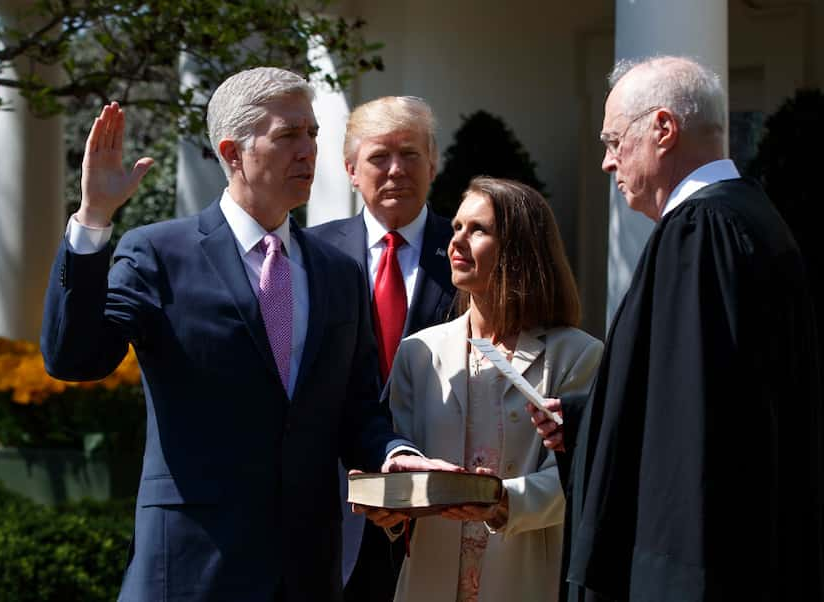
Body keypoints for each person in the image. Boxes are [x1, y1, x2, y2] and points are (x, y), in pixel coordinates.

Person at [40, 67, 453, 602]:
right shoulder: (158, 253)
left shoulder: (336, 271)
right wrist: (94, 218)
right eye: (287, 136)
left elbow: (355, 408)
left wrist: (393, 451)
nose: (308, 151)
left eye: (311, 134)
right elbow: (76, 358)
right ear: (233, 153)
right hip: (193, 566)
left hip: (306, 570)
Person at [530, 56, 823, 601]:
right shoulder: (752, 218)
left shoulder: (700, 232)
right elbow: (699, 395)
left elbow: (692, 436)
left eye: (614, 141)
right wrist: (585, 418)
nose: (606, 163)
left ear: (662, 129)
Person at [386, 177, 603, 602]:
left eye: (478, 230)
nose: (457, 242)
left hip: (523, 579)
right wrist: (386, 498)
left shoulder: (579, 355)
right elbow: (405, 457)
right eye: (456, 228)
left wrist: (504, 501)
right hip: (429, 580)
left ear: (519, 249)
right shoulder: (418, 352)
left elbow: (583, 477)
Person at [308, 95, 456, 601]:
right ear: (351, 170)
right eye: (378, 157)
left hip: (442, 505)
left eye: (411, 154)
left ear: (433, 162)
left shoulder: (470, 253)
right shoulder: (309, 255)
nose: (396, 170)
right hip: (333, 504)